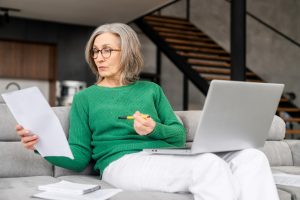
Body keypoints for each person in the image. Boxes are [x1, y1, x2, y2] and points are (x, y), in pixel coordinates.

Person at [16, 23, 279, 200]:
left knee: (251, 157)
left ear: (127, 52)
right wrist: (42, 144)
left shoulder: (150, 90)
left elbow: (177, 137)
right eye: (95, 51)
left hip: (164, 155)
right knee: (208, 166)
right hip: (121, 164)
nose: (99, 57)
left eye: (107, 50)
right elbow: (79, 158)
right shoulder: (86, 98)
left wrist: (155, 128)